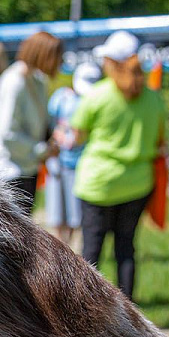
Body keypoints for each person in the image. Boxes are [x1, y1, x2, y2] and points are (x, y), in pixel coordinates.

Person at [71, 31, 166, 301]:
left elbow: (77, 135)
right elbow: (160, 139)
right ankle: (127, 307)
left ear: (112, 63)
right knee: (126, 248)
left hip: (99, 184)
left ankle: (86, 305)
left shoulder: (98, 95)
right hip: (138, 184)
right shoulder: (154, 98)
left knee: (92, 250)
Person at [0, 31, 62, 207]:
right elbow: (7, 133)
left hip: (28, 167)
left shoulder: (37, 80)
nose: (59, 62)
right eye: (55, 57)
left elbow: (43, 117)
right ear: (42, 54)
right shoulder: (14, 82)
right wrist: (41, 150)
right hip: (9, 170)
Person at [45, 61, 102, 247]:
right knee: (56, 212)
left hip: (81, 166)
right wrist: (56, 137)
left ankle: (72, 249)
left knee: (76, 216)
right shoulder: (61, 98)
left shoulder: (96, 101)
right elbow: (49, 124)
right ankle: (60, 247)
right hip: (58, 162)